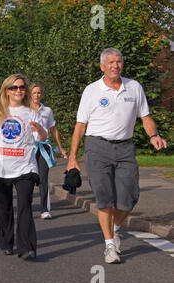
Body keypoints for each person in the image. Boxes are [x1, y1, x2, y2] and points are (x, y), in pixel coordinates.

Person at [67, 48, 167, 264]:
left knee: (128, 198)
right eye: (111, 62)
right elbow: (80, 126)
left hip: (125, 148)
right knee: (104, 197)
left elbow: (146, 117)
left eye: (119, 62)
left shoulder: (134, 88)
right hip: (97, 147)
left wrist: (154, 135)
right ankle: (110, 245)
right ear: (102, 66)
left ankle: (115, 228)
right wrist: (72, 158)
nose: (115, 66)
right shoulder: (92, 91)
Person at [0, 74, 47, 261]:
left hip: (25, 167)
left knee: (25, 205)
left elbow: (42, 138)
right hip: (0, 167)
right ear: (6, 90)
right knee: (4, 207)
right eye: (14, 87)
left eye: (22, 87)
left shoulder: (31, 112)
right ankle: (6, 241)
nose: (18, 90)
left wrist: (40, 130)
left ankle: (27, 248)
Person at [29, 82, 67, 220]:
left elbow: (53, 129)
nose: (36, 95)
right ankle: (27, 206)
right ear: (30, 94)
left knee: (43, 178)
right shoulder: (25, 109)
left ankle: (44, 209)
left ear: (42, 94)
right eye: (34, 93)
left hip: (43, 146)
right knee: (29, 178)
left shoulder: (47, 110)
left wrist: (60, 147)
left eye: (39, 92)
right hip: (29, 147)